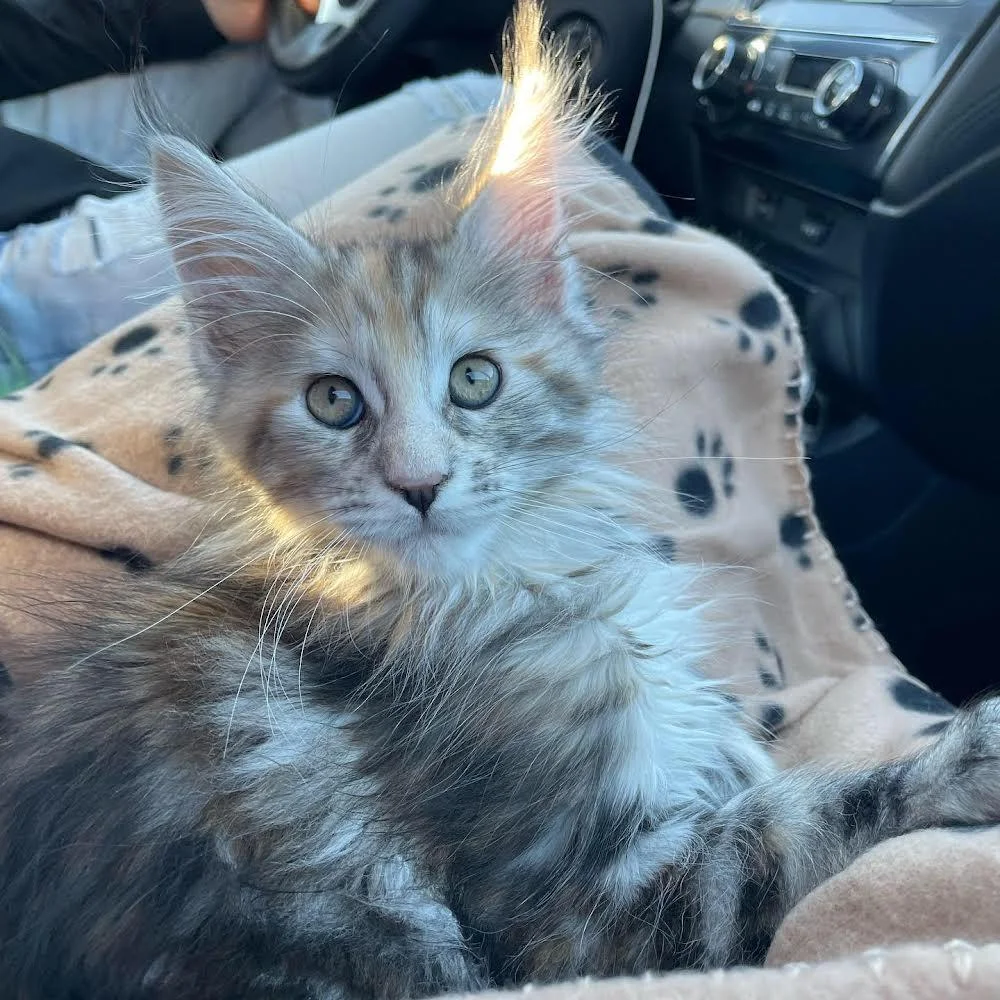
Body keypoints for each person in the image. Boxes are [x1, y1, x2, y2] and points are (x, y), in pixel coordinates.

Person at [0, 0, 501, 390]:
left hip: (25, 167)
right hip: (19, 294)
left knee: (272, 48)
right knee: (475, 108)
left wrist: (203, 12)